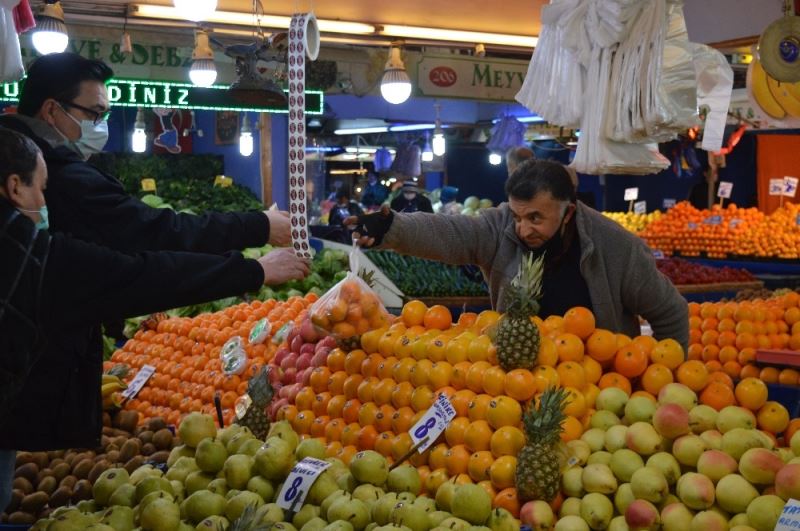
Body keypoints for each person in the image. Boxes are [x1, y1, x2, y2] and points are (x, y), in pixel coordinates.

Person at [0, 52, 297, 455]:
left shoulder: (26, 158)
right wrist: (255, 251)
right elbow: (149, 250)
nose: (100, 125)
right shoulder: (63, 186)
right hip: (29, 382)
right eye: (95, 113)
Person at [0, 128, 310, 510]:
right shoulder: (37, 258)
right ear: (15, 187)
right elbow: (145, 275)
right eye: (42, 189)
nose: (44, 202)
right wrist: (254, 269)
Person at [348, 159, 688, 347]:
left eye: (536, 218)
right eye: (517, 216)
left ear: (568, 212)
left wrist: (661, 383)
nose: (523, 229)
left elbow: (671, 312)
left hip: (600, 391)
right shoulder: (500, 229)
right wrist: (391, 228)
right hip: (517, 385)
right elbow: (451, 232)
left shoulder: (616, 246)